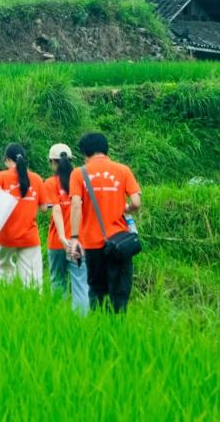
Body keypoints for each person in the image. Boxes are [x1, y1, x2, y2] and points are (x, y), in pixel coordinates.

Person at [67, 132, 142, 313]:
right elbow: (137, 202)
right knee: (119, 294)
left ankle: (98, 332)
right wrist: (126, 209)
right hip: (119, 244)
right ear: (105, 149)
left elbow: (76, 205)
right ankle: (117, 332)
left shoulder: (78, 173)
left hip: (92, 244)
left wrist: (75, 237)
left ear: (85, 153)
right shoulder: (123, 170)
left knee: (97, 293)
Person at [0, 143, 51, 288]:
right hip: (29, 236)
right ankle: (32, 306)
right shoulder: (36, 179)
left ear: (7, 160)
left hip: (6, 235)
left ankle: (6, 303)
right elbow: (43, 207)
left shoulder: (1, 177)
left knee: (4, 276)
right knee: (32, 281)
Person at [44, 143, 90, 313]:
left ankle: (58, 320)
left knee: (57, 281)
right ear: (71, 161)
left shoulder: (49, 183)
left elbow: (56, 209)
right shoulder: (82, 181)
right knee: (80, 284)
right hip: (78, 242)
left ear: (52, 162)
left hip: (57, 242)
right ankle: (81, 325)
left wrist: (63, 237)